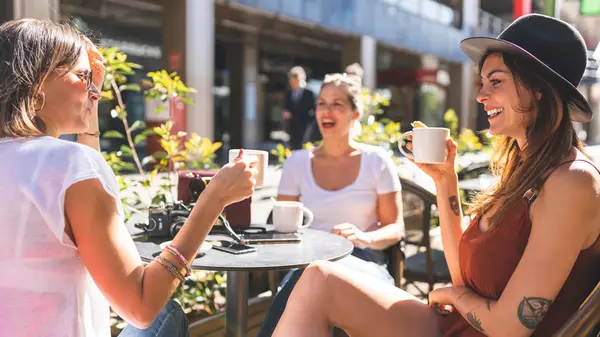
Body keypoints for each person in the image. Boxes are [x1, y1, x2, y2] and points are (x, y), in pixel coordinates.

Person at [271, 14, 600, 337]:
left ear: (539, 88)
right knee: (318, 280)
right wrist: (445, 181)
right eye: (482, 83)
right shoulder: (524, 171)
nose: (481, 96)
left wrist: (455, 297)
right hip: (457, 325)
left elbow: (508, 328)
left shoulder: (572, 182)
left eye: (495, 81)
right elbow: (464, 277)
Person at [0, 19, 258, 337]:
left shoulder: (58, 166)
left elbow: (77, 180)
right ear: (37, 82)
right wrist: (213, 199)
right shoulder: (70, 166)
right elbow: (140, 306)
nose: (96, 93)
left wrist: (89, 94)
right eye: (83, 77)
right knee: (166, 313)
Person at [257, 72, 405, 337]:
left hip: (363, 257)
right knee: (309, 281)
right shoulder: (297, 162)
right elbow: (284, 228)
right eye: (322, 103)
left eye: (337, 104)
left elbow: (395, 228)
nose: (327, 110)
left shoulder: (377, 160)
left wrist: (365, 237)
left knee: (315, 288)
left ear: (355, 113)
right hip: (309, 260)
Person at [283, 66, 319, 149]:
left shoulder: (309, 93)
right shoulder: (289, 93)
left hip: (305, 127)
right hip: (293, 128)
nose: (292, 84)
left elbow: (314, 110)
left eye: (293, 81)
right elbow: (286, 107)